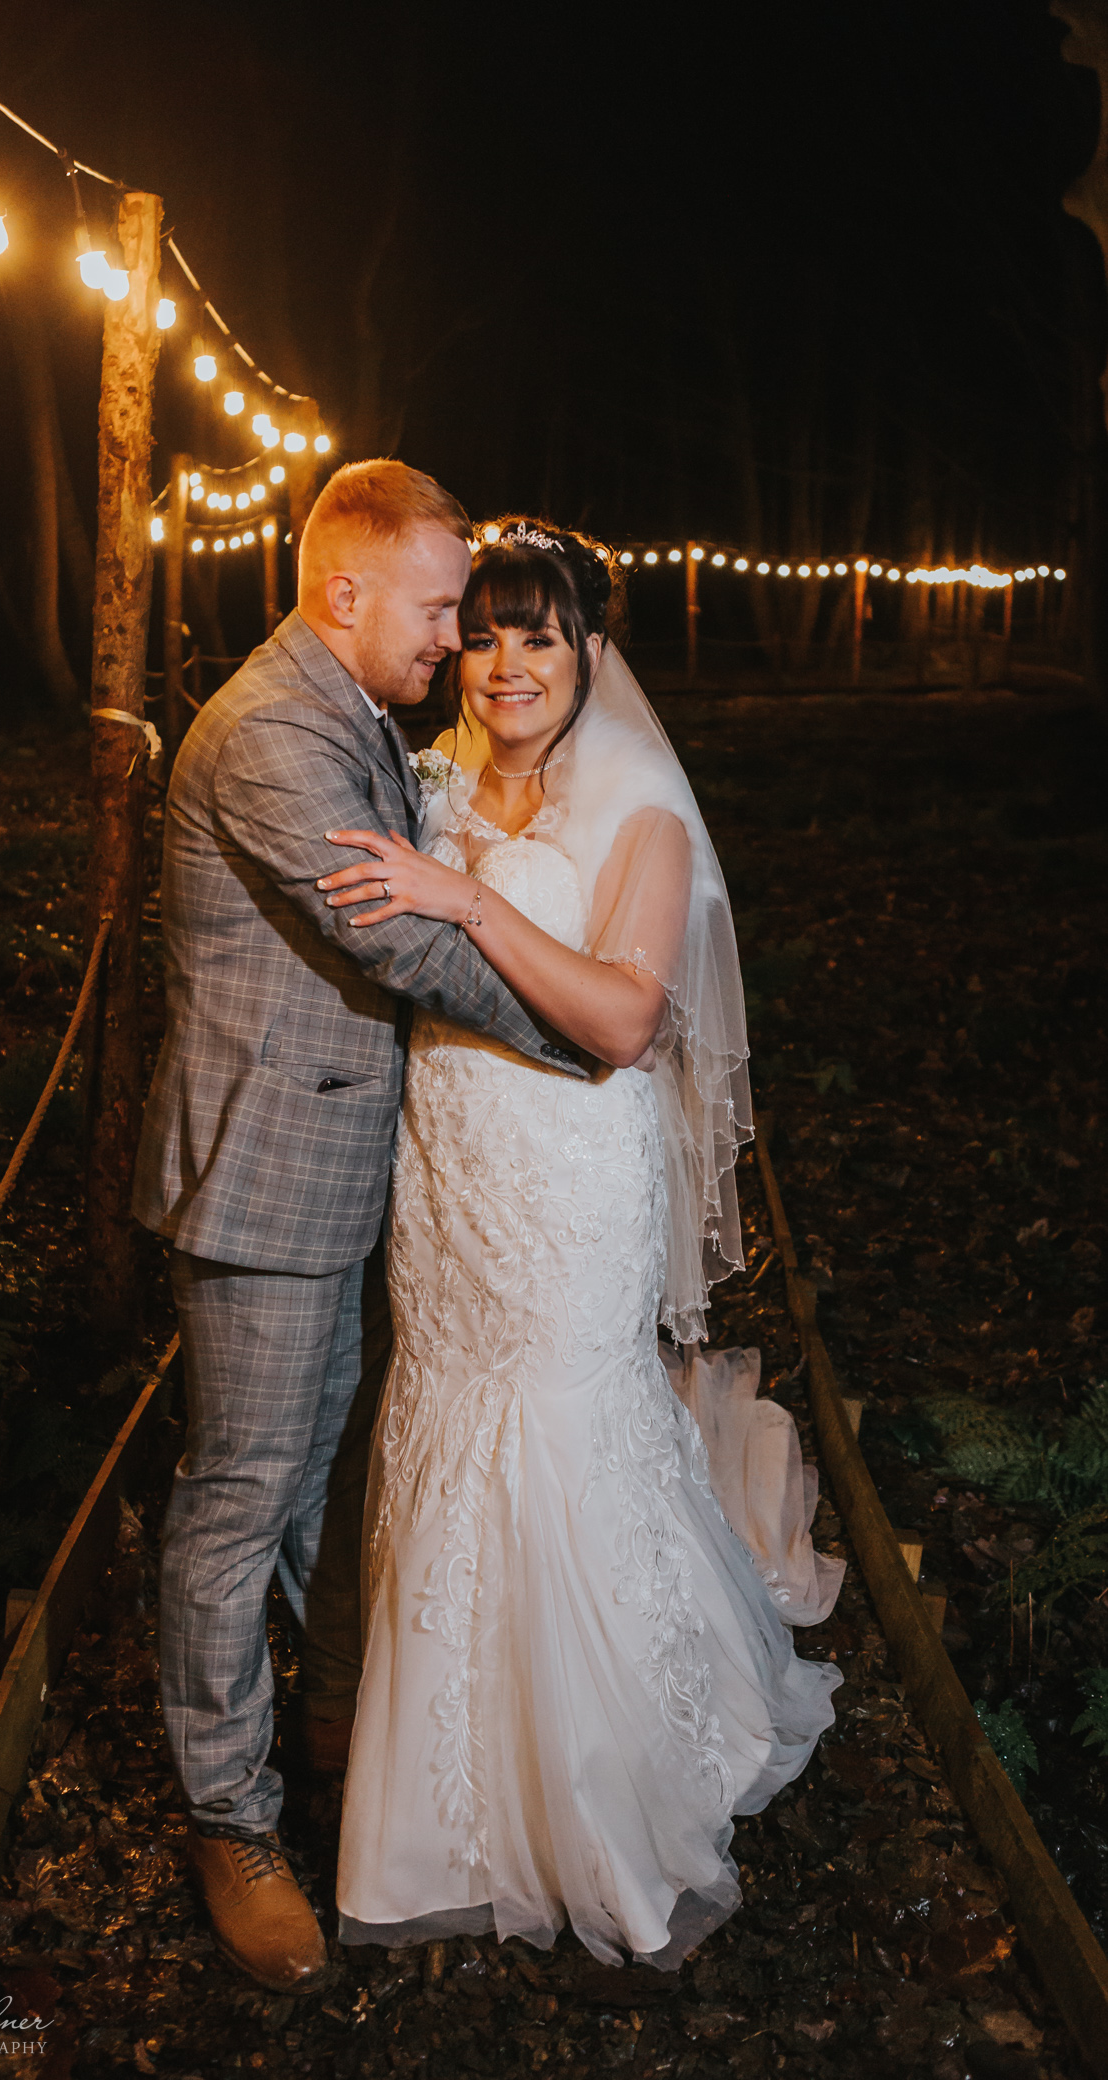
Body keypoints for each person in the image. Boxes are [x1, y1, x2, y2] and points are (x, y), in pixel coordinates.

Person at [319, 517, 843, 1967]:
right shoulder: (423, 781)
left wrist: (467, 899)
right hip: (446, 1184)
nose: (504, 663)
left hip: (570, 1188)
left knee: (557, 1431)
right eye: (482, 634)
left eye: (537, 636)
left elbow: (623, 1020)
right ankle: (438, 1814)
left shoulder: (642, 812)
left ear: (590, 653)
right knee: (442, 1429)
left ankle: (602, 1797)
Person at [131, 467, 588, 1995]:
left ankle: (339, 1736)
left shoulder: (355, 716)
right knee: (239, 1499)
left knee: (335, 1475)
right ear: (347, 594)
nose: (455, 637)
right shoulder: (273, 730)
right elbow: (393, 937)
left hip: (352, 1174)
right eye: (439, 607)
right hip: (265, 1183)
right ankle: (230, 1821)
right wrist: (580, 1035)